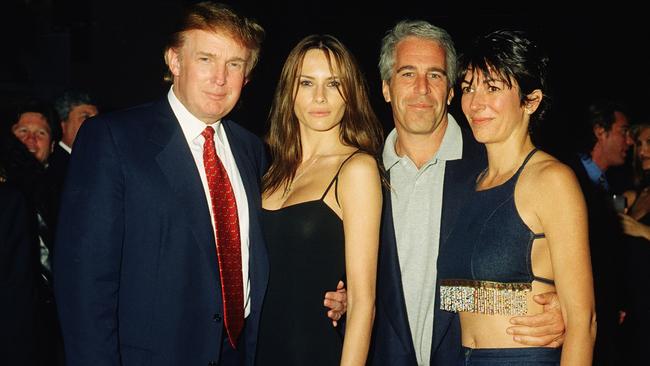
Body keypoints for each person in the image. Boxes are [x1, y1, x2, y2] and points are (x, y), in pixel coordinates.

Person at [53, 3, 343, 365]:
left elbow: (272, 252)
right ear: (174, 61)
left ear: (247, 76)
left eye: (234, 64)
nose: (220, 78)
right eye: (206, 59)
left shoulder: (252, 150)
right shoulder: (113, 140)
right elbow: (83, 287)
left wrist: (333, 291)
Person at [369, 21, 567, 366]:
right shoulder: (360, 175)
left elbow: (575, 283)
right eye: (406, 74)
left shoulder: (492, 170)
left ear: (449, 91)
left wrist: (560, 309)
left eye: (435, 75)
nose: (421, 89)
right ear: (386, 88)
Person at [436, 30, 595, 365]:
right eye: (468, 88)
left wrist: (564, 316)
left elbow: (584, 323)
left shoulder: (552, 181)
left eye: (492, 87)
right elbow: (459, 296)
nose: (474, 102)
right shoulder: (467, 182)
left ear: (531, 101)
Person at [255, 35, 382, 365]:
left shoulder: (356, 169)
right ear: (289, 92)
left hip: (312, 352)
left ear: (350, 92)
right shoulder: (268, 169)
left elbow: (362, 303)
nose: (321, 97)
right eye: (307, 82)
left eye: (334, 83)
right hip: (255, 351)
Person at [565, 100, 632, 365]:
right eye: (623, 131)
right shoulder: (569, 177)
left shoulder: (607, 184)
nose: (629, 141)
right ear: (600, 131)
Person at [617, 123, 650, 364]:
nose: (643, 151)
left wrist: (641, 230)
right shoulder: (636, 193)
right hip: (633, 304)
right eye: (639, 144)